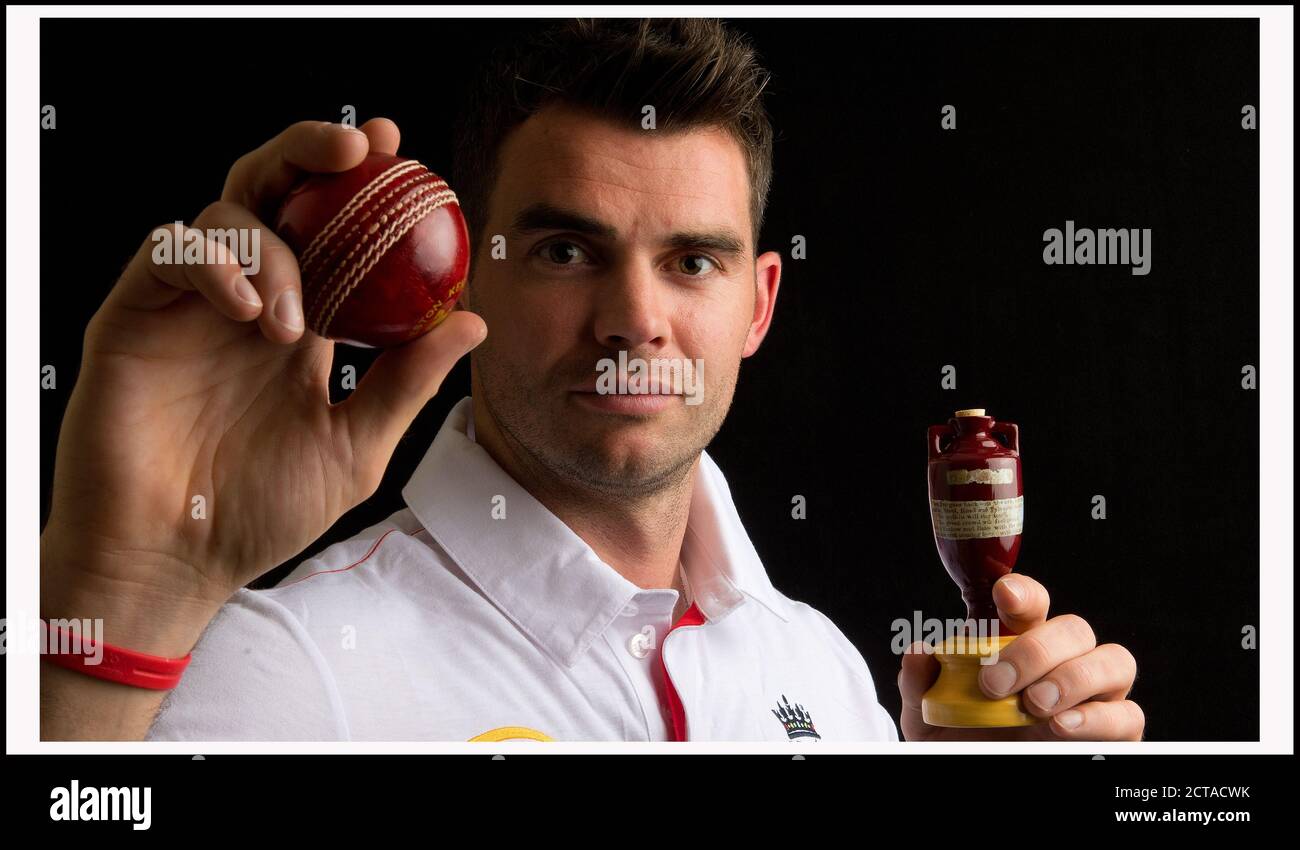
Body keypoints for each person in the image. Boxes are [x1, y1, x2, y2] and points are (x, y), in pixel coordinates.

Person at [40, 19, 1143, 742]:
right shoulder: (286, 673)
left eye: (691, 260)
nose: (633, 320)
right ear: (468, 274)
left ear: (757, 304)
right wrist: (124, 584)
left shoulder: (821, 667)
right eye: (568, 251)